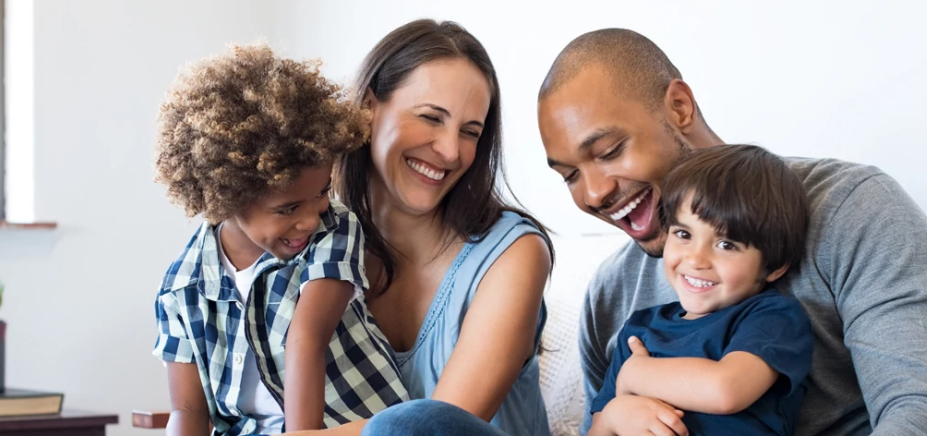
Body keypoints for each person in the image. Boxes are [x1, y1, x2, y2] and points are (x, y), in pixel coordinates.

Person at [538, 29, 927, 435]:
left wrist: (638, 375)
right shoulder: (611, 294)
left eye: (610, 151)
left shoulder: (852, 208)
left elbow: (921, 412)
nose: (594, 193)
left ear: (679, 108)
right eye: (570, 175)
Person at [300, 19, 555, 436]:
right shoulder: (313, 244)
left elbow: (432, 428)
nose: (450, 151)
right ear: (368, 107)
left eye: (470, 132)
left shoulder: (515, 254)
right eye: (431, 118)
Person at [151, 43, 406, 435]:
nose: (309, 219)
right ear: (228, 198)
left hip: (349, 427)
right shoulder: (182, 287)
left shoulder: (334, 229)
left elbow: (307, 340)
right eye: (288, 209)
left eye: (321, 192)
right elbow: (187, 410)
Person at [589, 144, 814, 436]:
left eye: (726, 245)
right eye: (683, 234)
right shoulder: (639, 331)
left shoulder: (772, 317)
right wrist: (613, 417)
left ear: (774, 266)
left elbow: (726, 390)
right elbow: (595, 429)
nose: (695, 260)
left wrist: (635, 374)